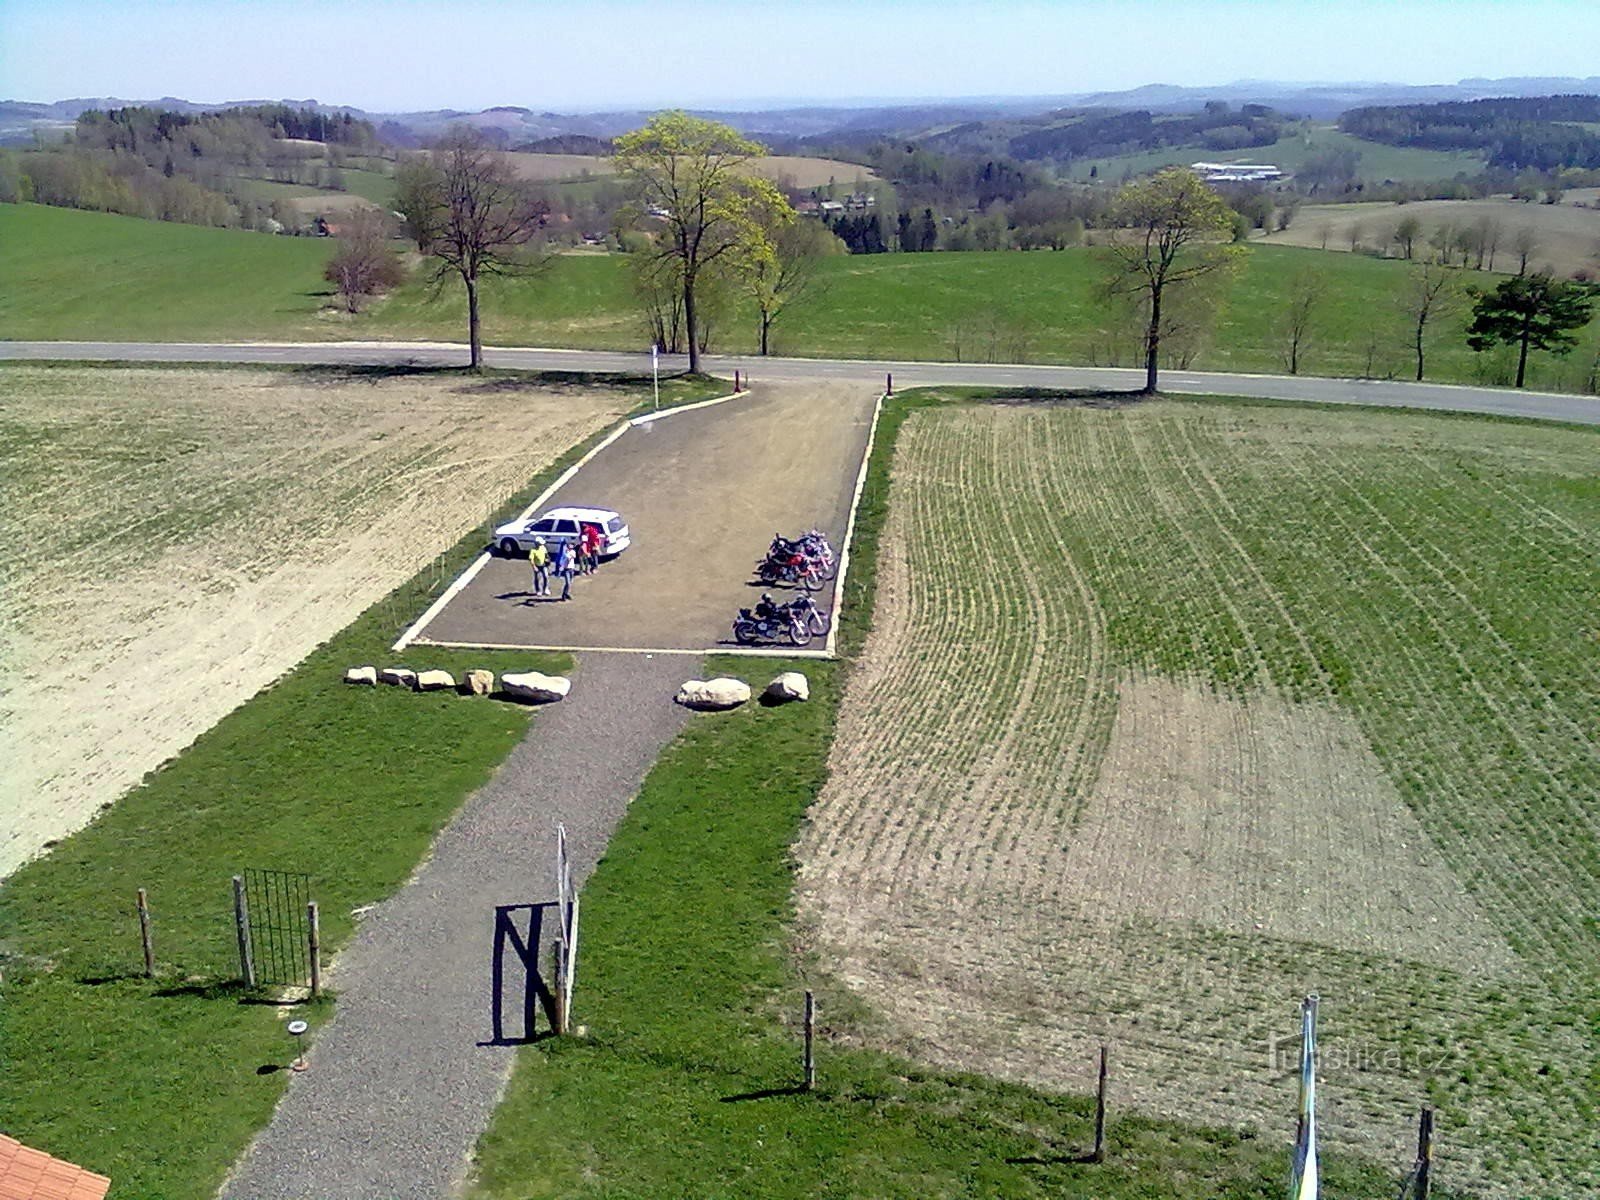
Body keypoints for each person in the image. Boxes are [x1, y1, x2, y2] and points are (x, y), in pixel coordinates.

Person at [556, 536, 577, 601]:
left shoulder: (573, 552)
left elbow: (570, 558)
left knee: (569, 583)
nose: (571, 546)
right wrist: (561, 566)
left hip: (571, 569)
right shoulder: (565, 553)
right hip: (566, 570)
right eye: (570, 545)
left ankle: (566, 593)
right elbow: (564, 559)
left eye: (572, 545)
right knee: (568, 583)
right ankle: (564, 595)